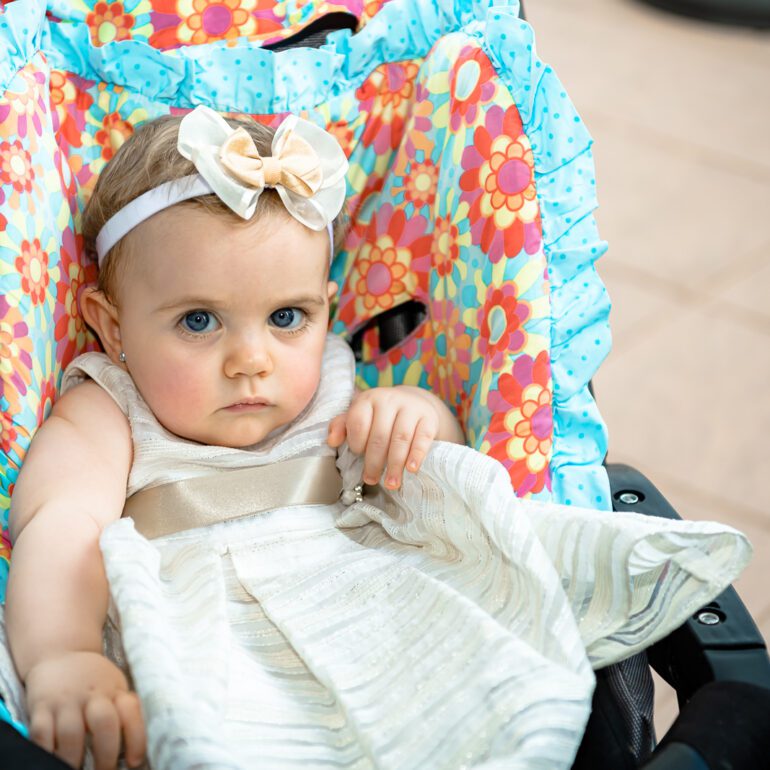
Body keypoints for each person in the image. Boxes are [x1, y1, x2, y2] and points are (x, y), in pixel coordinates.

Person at [1, 106, 750, 770]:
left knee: (484, 685)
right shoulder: (110, 409)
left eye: (287, 317)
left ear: (327, 310)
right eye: (198, 321)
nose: (252, 359)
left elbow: (439, 480)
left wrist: (418, 418)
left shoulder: (332, 379)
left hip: (377, 612)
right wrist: (63, 655)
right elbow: (60, 525)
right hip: (209, 643)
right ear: (111, 324)